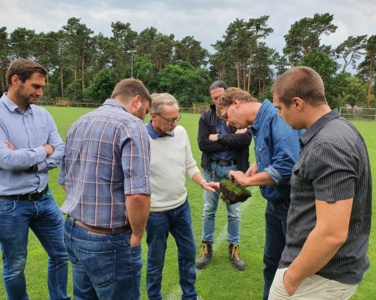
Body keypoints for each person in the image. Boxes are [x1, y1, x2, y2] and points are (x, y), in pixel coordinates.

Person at [268, 66, 372, 299]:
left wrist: (292, 277)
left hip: (318, 276)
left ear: (297, 103)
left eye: (280, 108)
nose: (279, 115)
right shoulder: (339, 129)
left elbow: (332, 233)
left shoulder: (328, 145)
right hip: (320, 271)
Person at [58, 78, 153, 300]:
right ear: (137, 101)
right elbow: (138, 194)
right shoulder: (131, 125)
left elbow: (64, 179)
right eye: (146, 111)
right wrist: (138, 233)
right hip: (108, 240)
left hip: (74, 231)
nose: (144, 117)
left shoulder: (79, 122)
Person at [216, 87, 301, 300]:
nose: (227, 123)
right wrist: (257, 164)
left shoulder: (275, 117)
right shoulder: (260, 123)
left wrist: (248, 180)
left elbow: (287, 165)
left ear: (237, 103)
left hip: (292, 206)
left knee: (291, 266)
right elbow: (275, 151)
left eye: (226, 115)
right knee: (272, 261)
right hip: (275, 205)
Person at [0, 58, 69, 300]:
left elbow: (60, 150)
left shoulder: (43, 114)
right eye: (36, 86)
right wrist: (44, 150)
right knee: (15, 265)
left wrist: (30, 162)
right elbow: (7, 160)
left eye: (42, 87)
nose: (40, 92)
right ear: (15, 80)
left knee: (62, 253)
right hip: (9, 204)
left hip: (45, 199)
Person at [145, 93, 217, 300]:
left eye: (177, 118)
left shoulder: (181, 132)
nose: (175, 123)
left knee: (188, 252)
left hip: (181, 207)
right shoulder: (140, 137)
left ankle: (190, 296)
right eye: (170, 119)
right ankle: (154, 297)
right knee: (155, 260)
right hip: (155, 213)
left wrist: (203, 182)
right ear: (153, 115)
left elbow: (189, 164)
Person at [195, 80, 252, 271]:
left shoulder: (239, 112)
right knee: (208, 210)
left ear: (229, 94)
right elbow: (203, 144)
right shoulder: (206, 116)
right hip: (211, 170)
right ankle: (206, 248)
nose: (219, 101)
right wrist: (231, 141)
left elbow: (244, 140)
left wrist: (219, 137)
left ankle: (234, 249)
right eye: (215, 98)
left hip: (234, 171)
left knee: (234, 213)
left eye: (221, 96)